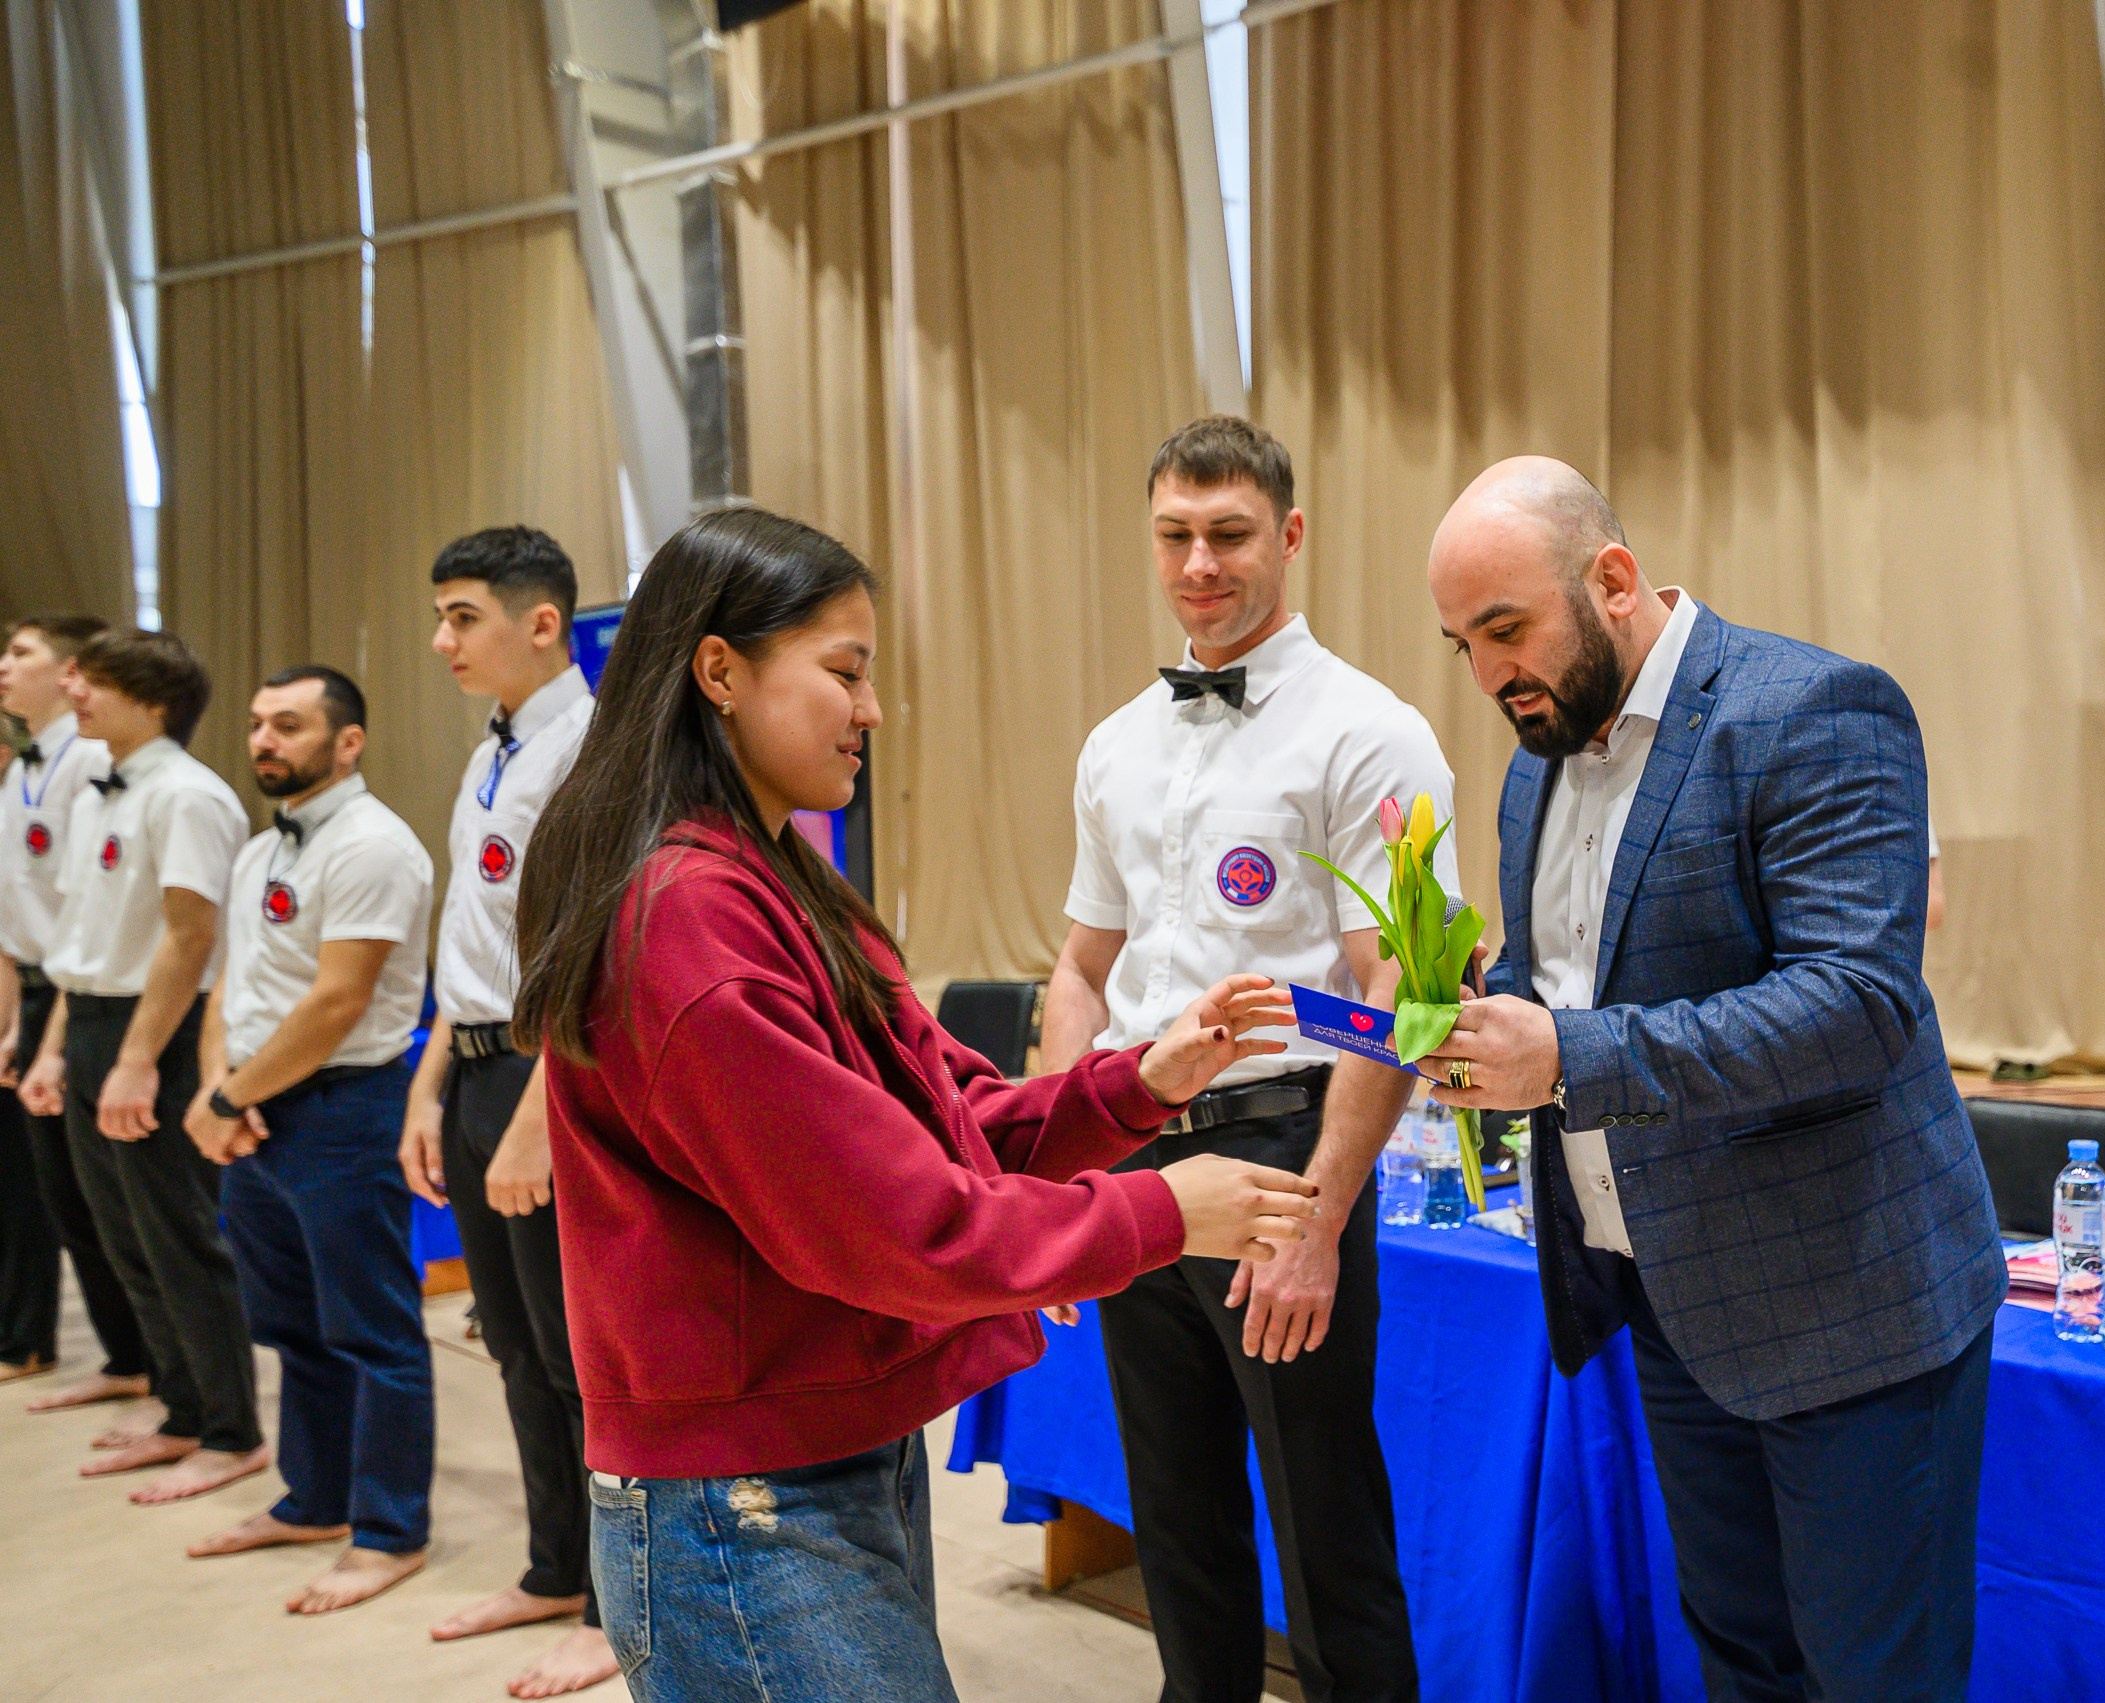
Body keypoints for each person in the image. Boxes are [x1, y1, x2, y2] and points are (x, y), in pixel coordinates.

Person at [516, 505, 1323, 1703]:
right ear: (719, 670)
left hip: (822, 1451)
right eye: (843, 672)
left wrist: (1135, 1082)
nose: (871, 710)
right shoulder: (690, 913)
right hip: (743, 1492)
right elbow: (891, 1220)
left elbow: (941, 1118)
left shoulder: (780, 876)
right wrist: (1157, 1211)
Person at [1422, 459, 2005, 1703]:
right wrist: (1486, 1008)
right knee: (1740, 1663)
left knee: (1873, 1677)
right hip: (1676, 1298)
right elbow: (1567, 975)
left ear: (1613, 581)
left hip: (1851, 1308)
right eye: (1461, 643)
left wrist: (1565, 1052)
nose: (1486, 675)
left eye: (1505, 629)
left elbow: (1855, 1004)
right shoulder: (1537, 760)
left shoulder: (1812, 710)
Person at [1043, 415, 1437, 1703]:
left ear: (1290, 535)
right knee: (1176, 1514)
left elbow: (1406, 982)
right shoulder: (1116, 743)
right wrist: (1051, 1168)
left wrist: (1321, 1208)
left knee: (1325, 1523)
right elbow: (1081, 968)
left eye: (1229, 534)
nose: (1200, 562)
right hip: (1130, 1157)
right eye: (1175, 535)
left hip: (1281, 1152)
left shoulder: (1367, 729)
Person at [399, 527, 615, 1698]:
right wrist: (431, 1086)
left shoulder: (591, 746)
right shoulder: (492, 747)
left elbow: (593, 953)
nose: (443, 639)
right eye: (440, 614)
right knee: (516, 1340)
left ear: (543, 622)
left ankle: (604, 1598)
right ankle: (547, 1563)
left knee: (581, 1350)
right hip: (477, 1066)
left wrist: (537, 1110)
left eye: (463, 614)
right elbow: (469, 942)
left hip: (553, 1073)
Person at [181, 666, 438, 1615]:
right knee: (292, 1324)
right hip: (255, 1107)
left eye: (288, 725)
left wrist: (230, 1095)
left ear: (349, 741)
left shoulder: (375, 846)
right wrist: (221, 1090)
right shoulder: (258, 851)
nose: (263, 740)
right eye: (256, 724)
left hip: (342, 1108)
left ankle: (389, 1529)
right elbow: (231, 986)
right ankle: (315, 1497)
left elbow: (340, 1000)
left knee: (372, 1328)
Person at [17, 628, 267, 1502]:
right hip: (85, 1017)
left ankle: (232, 1429)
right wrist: (52, 1049)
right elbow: (78, 938)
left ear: (153, 701)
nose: (76, 691)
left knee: (180, 1235)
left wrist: (135, 1059)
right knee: (122, 1232)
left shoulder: (188, 794)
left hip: (151, 1026)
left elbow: (191, 933)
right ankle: (181, 1405)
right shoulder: (95, 789)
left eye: (98, 682)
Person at [0, 613, 152, 1412]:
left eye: (19, 652)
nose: (3, 665)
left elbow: (91, 908)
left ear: (66, 672)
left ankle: (158, 1362)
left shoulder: (93, 761)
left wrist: (40, 1023)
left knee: (107, 1198)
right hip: (36, 985)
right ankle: (123, 1353)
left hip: (83, 990)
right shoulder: (24, 766)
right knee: (61, 1190)